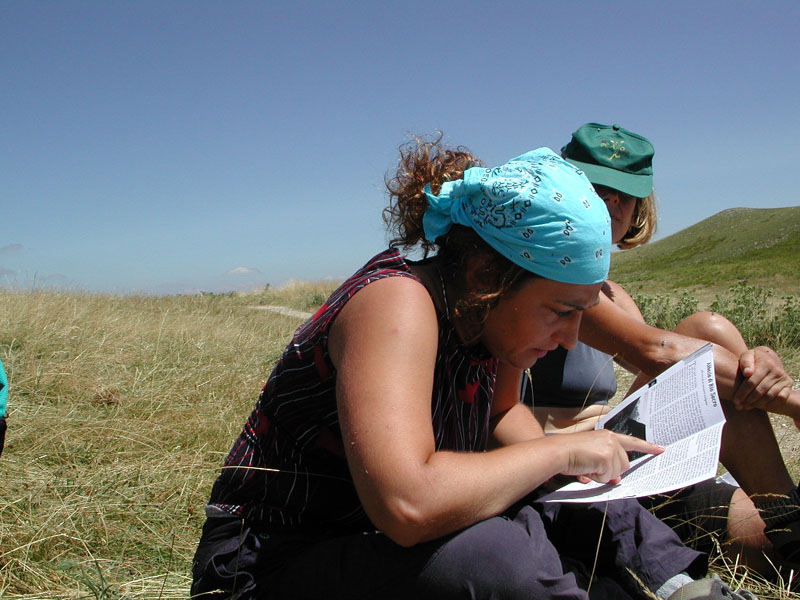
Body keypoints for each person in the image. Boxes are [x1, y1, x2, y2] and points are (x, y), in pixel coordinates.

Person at [190, 136, 757, 600]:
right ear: (487, 276)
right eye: (560, 311)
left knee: (579, 495)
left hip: (379, 546)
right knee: (496, 556)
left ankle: (686, 589)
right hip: (271, 564)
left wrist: (575, 469)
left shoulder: (486, 321)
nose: (569, 338)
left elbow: (502, 413)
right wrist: (559, 452)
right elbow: (409, 505)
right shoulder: (396, 305)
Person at [524, 122, 800, 577]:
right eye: (597, 188)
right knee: (704, 336)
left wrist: (760, 359)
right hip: (568, 470)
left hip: (628, 458)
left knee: (764, 550)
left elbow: (669, 354)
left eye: (625, 195)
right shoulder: (548, 274)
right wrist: (790, 402)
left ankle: (786, 520)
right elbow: (656, 351)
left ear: (640, 206)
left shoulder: (611, 293)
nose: (611, 203)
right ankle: (790, 520)